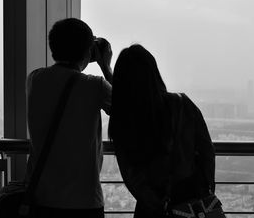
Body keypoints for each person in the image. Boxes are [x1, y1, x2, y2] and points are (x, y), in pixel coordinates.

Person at [108, 44, 216, 218]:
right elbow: (207, 151)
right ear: (154, 72)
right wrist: (206, 190)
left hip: (151, 207)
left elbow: (130, 172)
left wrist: (154, 203)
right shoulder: (181, 104)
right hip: (192, 202)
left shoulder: (124, 118)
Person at [26, 18, 112, 218]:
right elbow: (128, 109)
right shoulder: (95, 86)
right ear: (88, 50)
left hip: (41, 199)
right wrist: (105, 66)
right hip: (83, 201)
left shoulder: (34, 79)